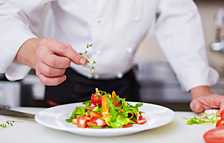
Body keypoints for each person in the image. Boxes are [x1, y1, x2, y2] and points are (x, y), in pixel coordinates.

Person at [0, 0, 224, 113]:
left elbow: (179, 19)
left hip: (124, 86)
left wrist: (200, 90)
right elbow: (8, 11)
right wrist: (32, 50)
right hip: (68, 82)